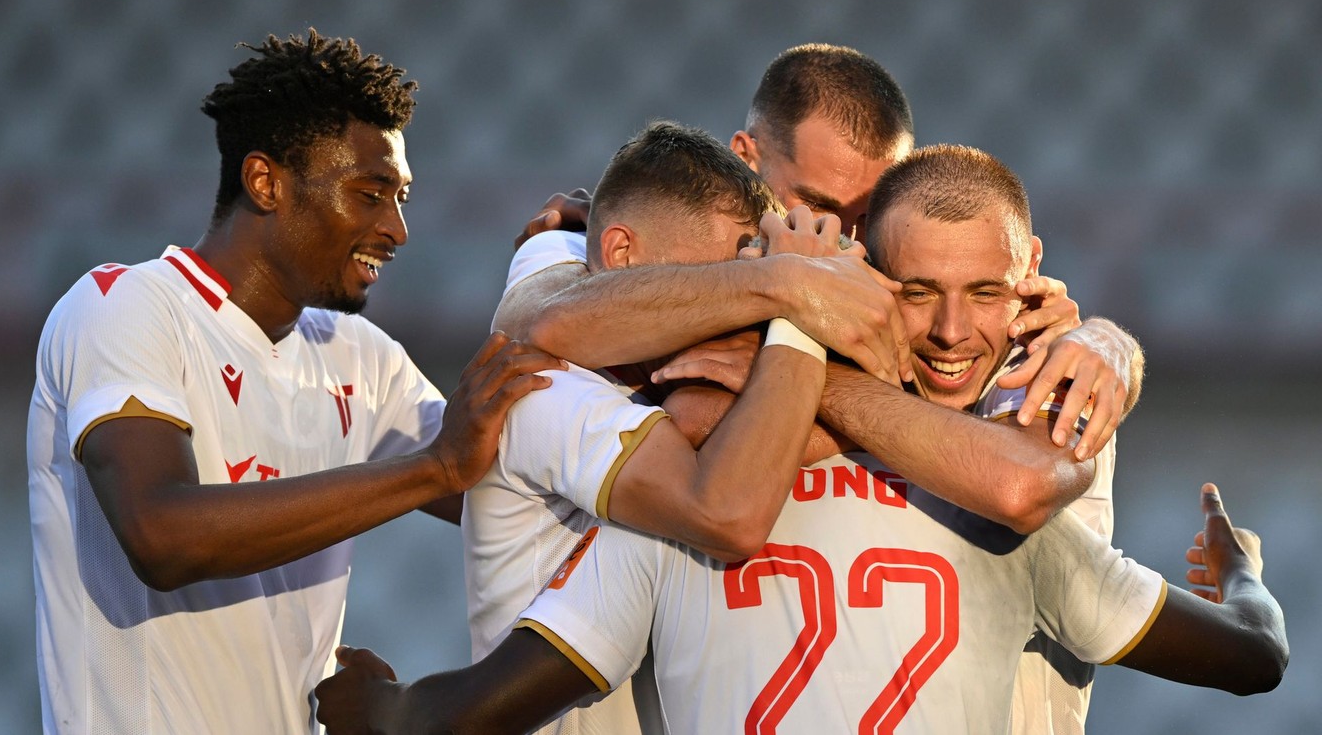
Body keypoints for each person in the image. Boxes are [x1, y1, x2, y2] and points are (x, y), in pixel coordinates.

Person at [312, 146, 1287, 734]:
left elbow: (477, 708)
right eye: (920, 294)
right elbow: (1250, 657)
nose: (951, 331)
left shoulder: (675, 506)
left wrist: (383, 712)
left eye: (981, 293)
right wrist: (1241, 571)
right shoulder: (993, 519)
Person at [507, 44, 1142, 732]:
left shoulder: (973, 326)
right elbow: (537, 326)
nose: (847, 238)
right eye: (814, 204)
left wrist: (1114, 342)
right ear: (747, 159)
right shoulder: (600, 244)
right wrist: (786, 289)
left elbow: (1017, 476)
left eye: (873, 212)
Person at [26, 30, 561, 734]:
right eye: (369, 194)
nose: (397, 228)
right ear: (265, 182)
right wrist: (433, 467)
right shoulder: (124, 305)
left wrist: (565, 276)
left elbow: (516, 484)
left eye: (400, 197)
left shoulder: (358, 354)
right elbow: (161, 534)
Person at [465, 119, 891, 733]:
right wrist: (794, 299)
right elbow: (727, 511)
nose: (730, 313)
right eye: (716, 284)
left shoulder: (681, 356)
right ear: (620, 254)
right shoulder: (541, 386)